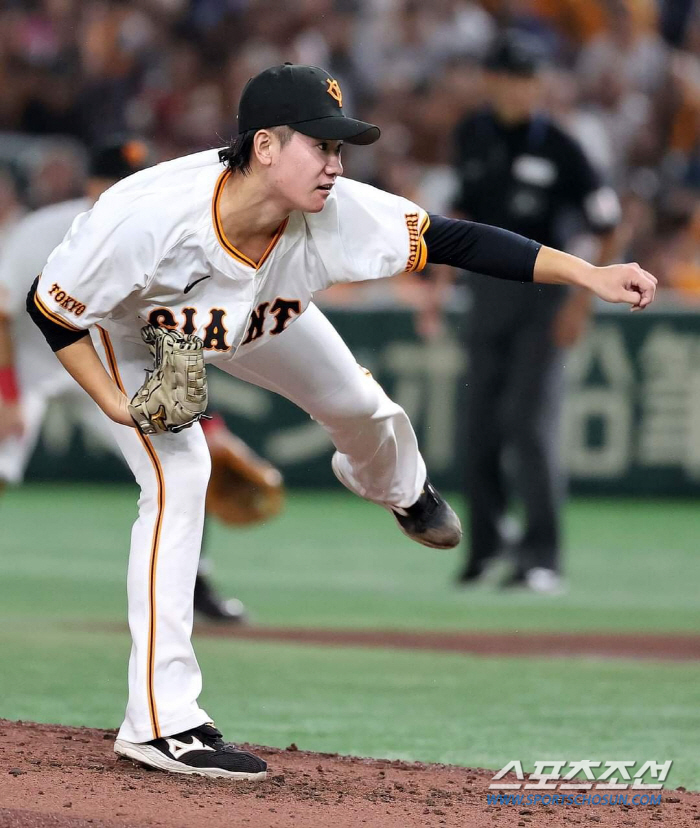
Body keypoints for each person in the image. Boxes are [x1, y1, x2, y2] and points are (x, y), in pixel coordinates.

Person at [27, 63, 654, 781]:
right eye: (319, 146)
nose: (334, 163)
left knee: (363, 408)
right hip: (137, 330)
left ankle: (402, 491)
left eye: (340, 148)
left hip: (259, 311)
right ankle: (162, 723)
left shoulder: (335, 209)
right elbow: (52, 310)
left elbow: (458, 240)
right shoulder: (145, 219)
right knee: (181, 471)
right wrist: (115, 404)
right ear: (265, 146)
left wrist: (588, 274)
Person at [0, 138, 254, 622]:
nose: (123, 189)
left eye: (134, 180)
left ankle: (196, 586)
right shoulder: (43, 230)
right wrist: (8, 394)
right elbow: (1, 314)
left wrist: (209, 425)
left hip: (108, 368)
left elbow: (176, 336)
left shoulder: (163, 232)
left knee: (182, 464)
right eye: (113, 180)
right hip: (31, 367)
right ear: (89, 186)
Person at [437, 32, 624, 593]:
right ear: (492, 80)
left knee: (528, 422)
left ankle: (542, 556)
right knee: (476, 428)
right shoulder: (470, 134)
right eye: (513, 77)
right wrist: (439, 287)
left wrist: (581, 305)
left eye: (531, 79)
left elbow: (609, 227)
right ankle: (488, 548)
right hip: (485, 291)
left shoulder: (563, 147)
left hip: (546, 299)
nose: (523, 89)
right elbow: (460, 216)